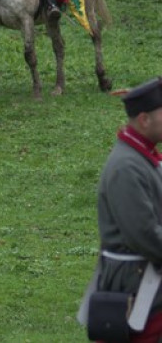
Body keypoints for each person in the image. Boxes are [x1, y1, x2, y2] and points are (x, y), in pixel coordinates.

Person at [79, 77, 162, 341]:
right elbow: (144, 235)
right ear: (144, 119)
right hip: (135, 286)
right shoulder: (126, 168)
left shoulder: (142, 158)